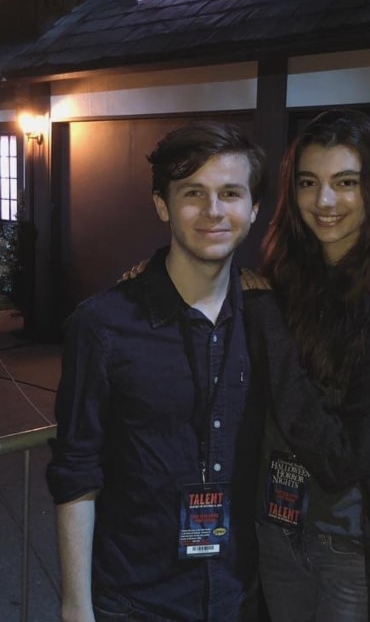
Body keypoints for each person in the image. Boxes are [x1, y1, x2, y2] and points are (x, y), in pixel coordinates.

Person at [46, 121, 268, 622]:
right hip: (135, 600)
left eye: (230, 193)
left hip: (240, 594)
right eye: (193, 193)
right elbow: (76, 472)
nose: (213, 211)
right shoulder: (102, 325)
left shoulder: (267, 321)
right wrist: (75, 608)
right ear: (163, 205)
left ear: (253, 209)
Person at [241, 107, 370, 621]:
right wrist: (149, 275)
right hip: (275, 527)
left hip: (349, 547)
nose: (324, 201)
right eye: (308, 182)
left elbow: (341, 458)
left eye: (344, 182)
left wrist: (270, 330)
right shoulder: (279, 283)